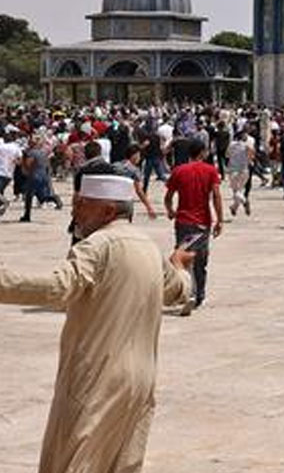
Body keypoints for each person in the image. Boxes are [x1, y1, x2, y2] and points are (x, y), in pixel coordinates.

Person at [0, 173, 193, 473]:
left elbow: (59, 287)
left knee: (74, 461)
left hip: (97, 377)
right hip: (139, 380)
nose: (74, 211)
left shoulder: (98, 245)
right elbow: (177, 290)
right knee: (121, 461)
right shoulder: (147, 246)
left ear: (107, 211)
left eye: (82, 204)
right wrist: (179, 266)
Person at [164, 138, 223, 315]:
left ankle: (187, 292)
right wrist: (220, 219)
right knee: (200, 260)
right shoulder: (210, 171)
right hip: (202, 224)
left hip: (183, 222)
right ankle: (197, 295)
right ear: (203, 152)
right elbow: (216, 196)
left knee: (182, 258)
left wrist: (170, 211)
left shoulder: (178, 171)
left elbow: (168, 196)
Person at [225, 129, 255, 217]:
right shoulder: (247, 145)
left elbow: (227, 155)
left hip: (233, 170)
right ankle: (233, 207)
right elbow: (252, 156)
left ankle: (245, 201)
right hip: (244, 170)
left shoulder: (231, 145)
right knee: (240, 190)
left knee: (236, 192)